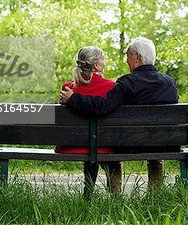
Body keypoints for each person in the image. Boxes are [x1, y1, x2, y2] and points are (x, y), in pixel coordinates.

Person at [60, 37, 179, 189]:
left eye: (128, 56)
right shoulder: (169, 82)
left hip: (130, 144)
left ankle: (115, 199)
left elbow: (102, 107)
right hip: (166, 143)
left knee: (116, 150)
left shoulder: (126, 83)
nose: (126, 60)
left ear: (137, 58)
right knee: (155, 153)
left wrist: (73, 99)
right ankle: (155, 197)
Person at [55, 46, 122, 196]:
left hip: (72, 146)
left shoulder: (67, 89)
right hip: (104, 146)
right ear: (96, 65)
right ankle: (115, 198)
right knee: (110, 157)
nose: (104, 64)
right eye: (103, 60)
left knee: (90, 145)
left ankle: (88, 195)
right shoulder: (111, 87)